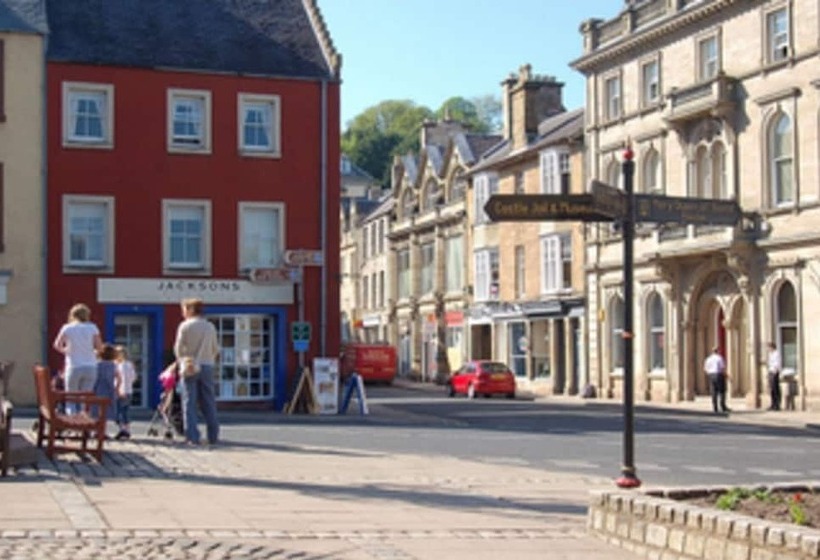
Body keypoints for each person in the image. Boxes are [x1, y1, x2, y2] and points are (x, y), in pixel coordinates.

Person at [173, 298, 220, 446]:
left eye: (184, 309)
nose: (183, 312)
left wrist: (182, 361)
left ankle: (192, 436)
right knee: (208, 401)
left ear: (190, 310)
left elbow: (178, 349)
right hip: (207, 365)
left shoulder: (185, 326)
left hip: (190, 365)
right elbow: (215, 348)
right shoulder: (210, 327)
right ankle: (213, 435)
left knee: (189, 402)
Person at [53, 303, 103, 414]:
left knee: (71, 397)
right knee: (85, 398)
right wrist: (93, 352)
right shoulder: (92, 327)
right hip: (90, 366)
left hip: (74, 365)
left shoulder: (67, 328)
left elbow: (57, 345)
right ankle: (84, 421)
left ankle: (72, 423)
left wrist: (66, 351)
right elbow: (99, 347)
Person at [93, 343, 118, 436]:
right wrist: (114, 389)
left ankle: (96, 430)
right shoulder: (112, 365)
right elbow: (111, 377)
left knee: (96, 410)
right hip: (108, 389)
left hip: (97, 388)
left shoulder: (97, 364)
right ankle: (102, 431)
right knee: (105, 411)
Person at [114, 345, 137, 440]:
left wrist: (120, 390)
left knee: (119, 411)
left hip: (121, 391)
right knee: (125, 411)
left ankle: (123, 430)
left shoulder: (121, 365)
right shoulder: (129, 365)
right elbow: (133, 378)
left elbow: (122, 379)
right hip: (129, 391)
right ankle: (127, 430)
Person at [703, 346, 730, 414]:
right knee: (722, 391)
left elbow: (705, 369)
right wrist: (726, 376)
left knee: (714, 391)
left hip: (711, 375)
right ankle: (722, 406)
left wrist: (710, 374)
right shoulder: (719, 358)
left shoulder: (708, 359)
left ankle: (715, 407)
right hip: (718, 375)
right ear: (718, 351)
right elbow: (722, 368)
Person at [766, 342, 782, 411]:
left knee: (775, 389)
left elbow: (777, 363)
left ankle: (777, 405)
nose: (768, 349)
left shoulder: (776, 354)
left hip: (775, 372)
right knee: (772, 389)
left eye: (769, 347)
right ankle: (773, 404)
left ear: (772, 347)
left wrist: (775, 371)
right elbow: (770, 364)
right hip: (771, 371)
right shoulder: (770, 354)